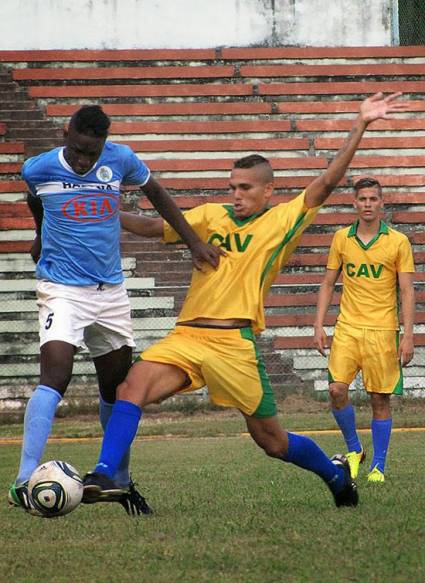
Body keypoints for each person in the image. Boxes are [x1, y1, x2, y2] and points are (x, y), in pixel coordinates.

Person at [81, 92, 409, 510]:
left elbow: (326, 183)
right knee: (131, 385)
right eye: (232, 186)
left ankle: (334, 473)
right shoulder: (208, 215)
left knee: (272, 442)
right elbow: (150, 227)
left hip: (236, 346)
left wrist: (359, 125)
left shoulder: (280, 221)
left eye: (245, 187)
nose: (235, 194)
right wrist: (98, 209)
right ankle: (108, 474)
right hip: (187, 337)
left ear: (268, 191)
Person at [8, 105, 222, 516]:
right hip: (61, 289)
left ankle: (119, 481)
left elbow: (156, 193)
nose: (85, 160)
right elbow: (33, 198)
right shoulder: (39, 168)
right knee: (56, 373)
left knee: (117, 388)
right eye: (79, 151)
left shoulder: (121, 159)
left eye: (93, 152)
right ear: (66, 134)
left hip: (110, 292)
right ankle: (23, 480)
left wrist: (193, 241)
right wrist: (40, 236)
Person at [313, 176, 415, 483]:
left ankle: (379, 468)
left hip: (383, 331)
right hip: (347, 329)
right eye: (363, 199)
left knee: (379, 399)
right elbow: (329, 282)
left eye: (373, 199)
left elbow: (408, 291)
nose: (368, 204)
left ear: (382, 203)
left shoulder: (398, 241)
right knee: (336, 390)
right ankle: (355, 450)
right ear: (354, 203)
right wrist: (318, 324)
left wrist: (408, 335)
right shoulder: (342, 239)